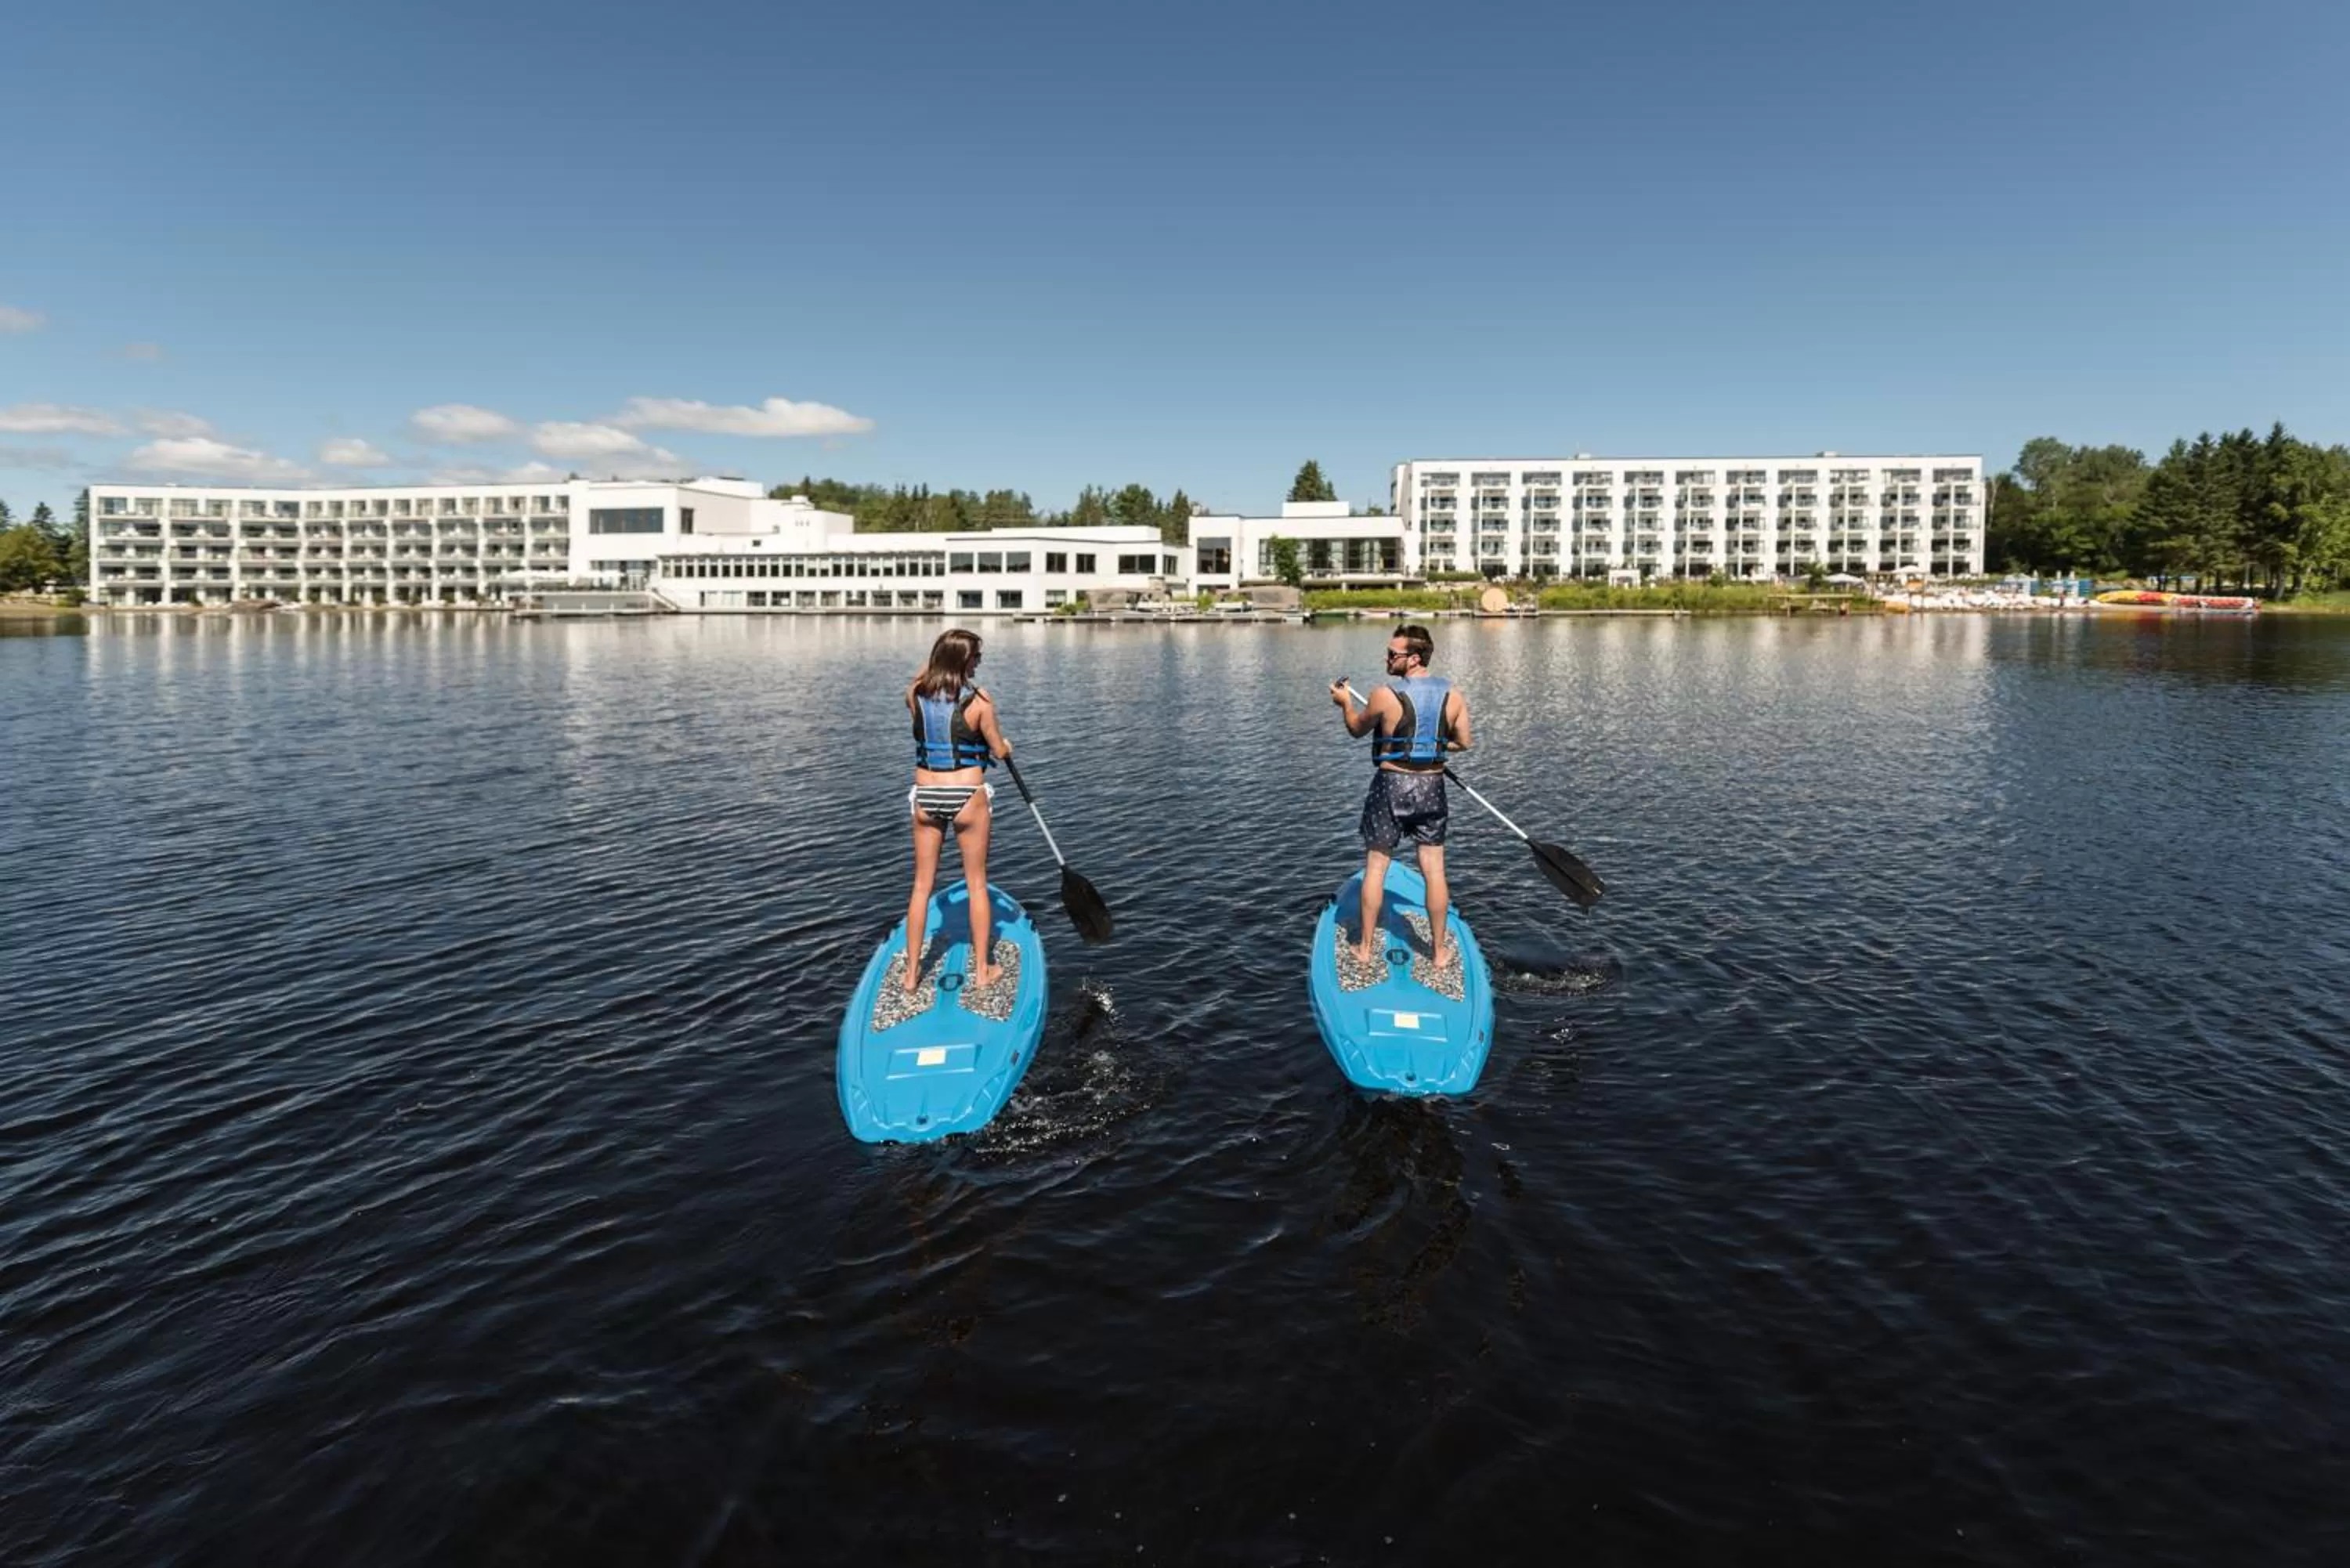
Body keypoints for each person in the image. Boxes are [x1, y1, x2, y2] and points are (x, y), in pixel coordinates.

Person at [1330, 623, 1473, 968]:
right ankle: (1439, 954)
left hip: (1391, 787)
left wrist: (1345, 701)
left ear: (1413, 659)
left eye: (1392, 654)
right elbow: (1463, 742)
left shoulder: (1382, 695)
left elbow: (1356, 729)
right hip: (1432, 788)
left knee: (1376, 868)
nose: (1387, 658)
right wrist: (1431, 747)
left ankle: (1365, 950)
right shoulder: (1454, 695)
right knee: (1434, 871)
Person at [902, 628, 1014, 995]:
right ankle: (983, 972)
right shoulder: (980, 701)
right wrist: (1005, 745)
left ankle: (910, 976)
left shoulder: (915, 695)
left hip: (926, 798)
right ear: (963, 661)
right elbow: (998, 750)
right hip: (967, 796)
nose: (979, 662)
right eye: (975, 657)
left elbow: (922, 676)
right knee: (977, 884)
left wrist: (940, 663)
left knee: (921, 887)